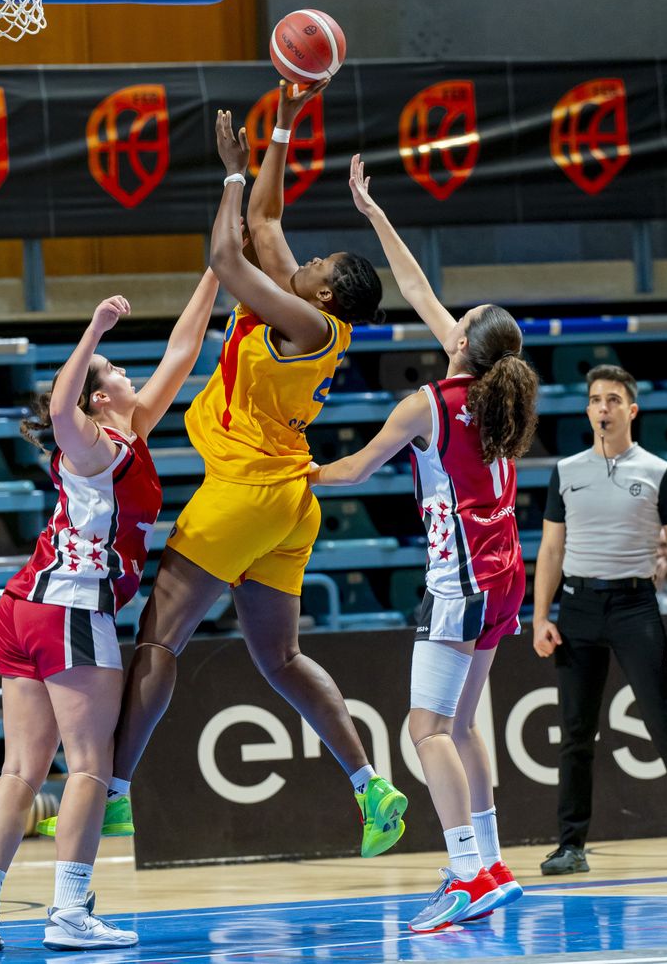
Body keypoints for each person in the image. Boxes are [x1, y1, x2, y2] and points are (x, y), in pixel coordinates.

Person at [40, 90, 397, 856]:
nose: (304, 261)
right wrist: (284, 126)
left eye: (318, 266)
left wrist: (231, 177)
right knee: (281, 658)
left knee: (160, 637)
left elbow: (230, 252)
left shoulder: (307, 322)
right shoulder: (294, 302)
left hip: (245, 494)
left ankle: (118, 795)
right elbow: (266, 226)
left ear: (326, 293)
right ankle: (372, 788)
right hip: (288, 504)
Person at [0, 267, 219, 954]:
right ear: (103, 396)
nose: (134, 374)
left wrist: (221, 263)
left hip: (24, 608)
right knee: (89, 769)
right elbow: (62, 402)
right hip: (69, 610)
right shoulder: (91, 445)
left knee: (21, 769)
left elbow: (184, 351)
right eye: (118, 370)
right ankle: (69, 913)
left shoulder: (128, 435)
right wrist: (94, 331)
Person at [310, 153, 538, 932]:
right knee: (465, 725)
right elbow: (417, 289)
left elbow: (350, 470)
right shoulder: (499, 392)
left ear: (465, 344)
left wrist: (288, 472)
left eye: (461, 318)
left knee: (425, 731)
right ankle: (495, 863)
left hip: (463, 581)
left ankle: (468, 875)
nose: (451, 316)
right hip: (505, 574)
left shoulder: (426, 404)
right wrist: (374, 216)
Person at [532, 365, 667, 875]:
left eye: (613, 400)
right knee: (576, 733)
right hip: (577, 608)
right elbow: (551, 550)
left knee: (665, 724)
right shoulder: (566, 471)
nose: (603, 408)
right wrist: (540, 617)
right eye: (596, 400)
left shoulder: (659, 472)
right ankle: (571, 845)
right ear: (587, 410)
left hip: (635, 606)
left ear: (631, 410)